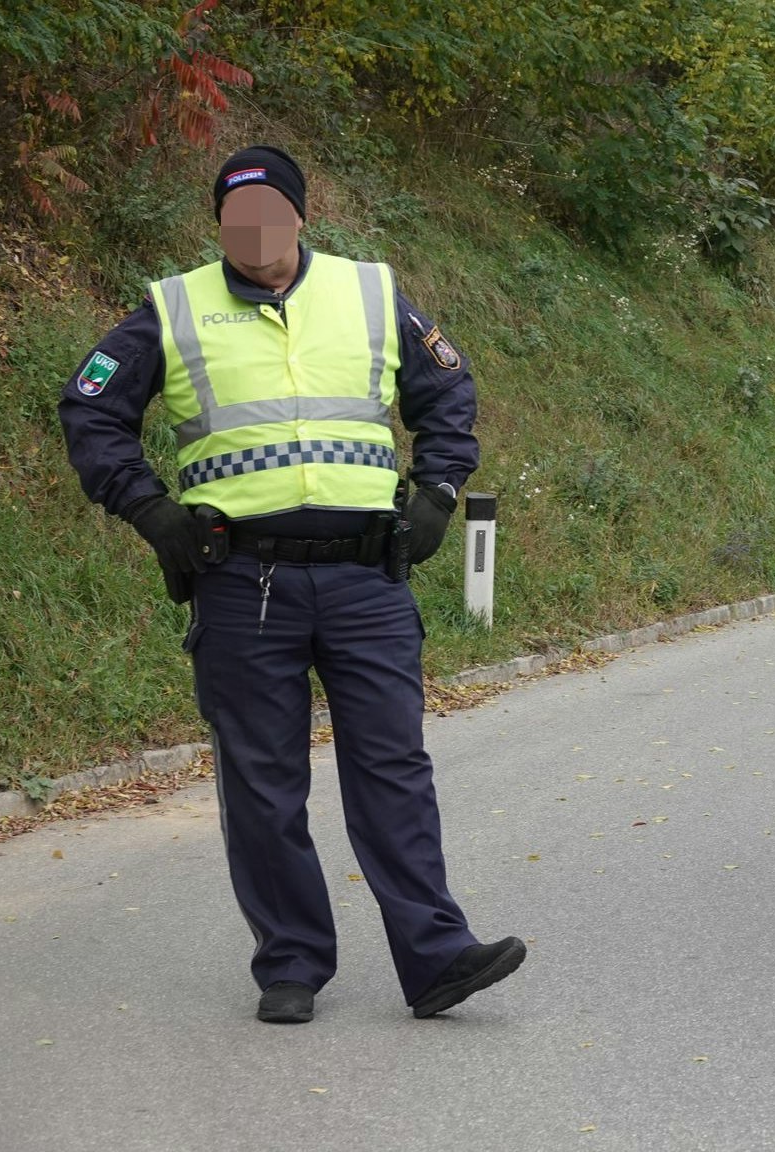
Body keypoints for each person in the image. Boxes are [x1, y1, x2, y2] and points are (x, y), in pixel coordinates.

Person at [59, 145, 525, 1025]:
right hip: (243, 581)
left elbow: (448, 392)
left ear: (301, 216)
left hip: (366, 579)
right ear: (219, 227)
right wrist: (150, 510)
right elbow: (91, 405)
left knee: (393, 767)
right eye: (236, 218)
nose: (255, 232)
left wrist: (436, 492)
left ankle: (436, 957)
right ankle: (292, 963)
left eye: (270, 213)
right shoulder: (172, 309)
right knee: (262, 782)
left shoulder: (370, 292)